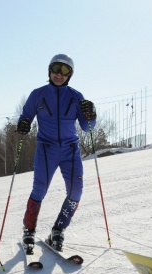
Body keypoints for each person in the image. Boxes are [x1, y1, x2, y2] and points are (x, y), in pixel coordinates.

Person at [17, 54, 96, 253]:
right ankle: (29, 230)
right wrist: (23, 124)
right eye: (56, 69)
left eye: (65, 71)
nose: (59, 75)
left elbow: (87, 128)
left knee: (75, 191)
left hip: (70, 150)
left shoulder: (76, 96)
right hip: (46, 149)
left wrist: (92, 114)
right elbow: (25, 117)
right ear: (49, 71)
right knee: (39, 190)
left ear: (70, 74)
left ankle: (58, 229)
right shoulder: (38, 94)